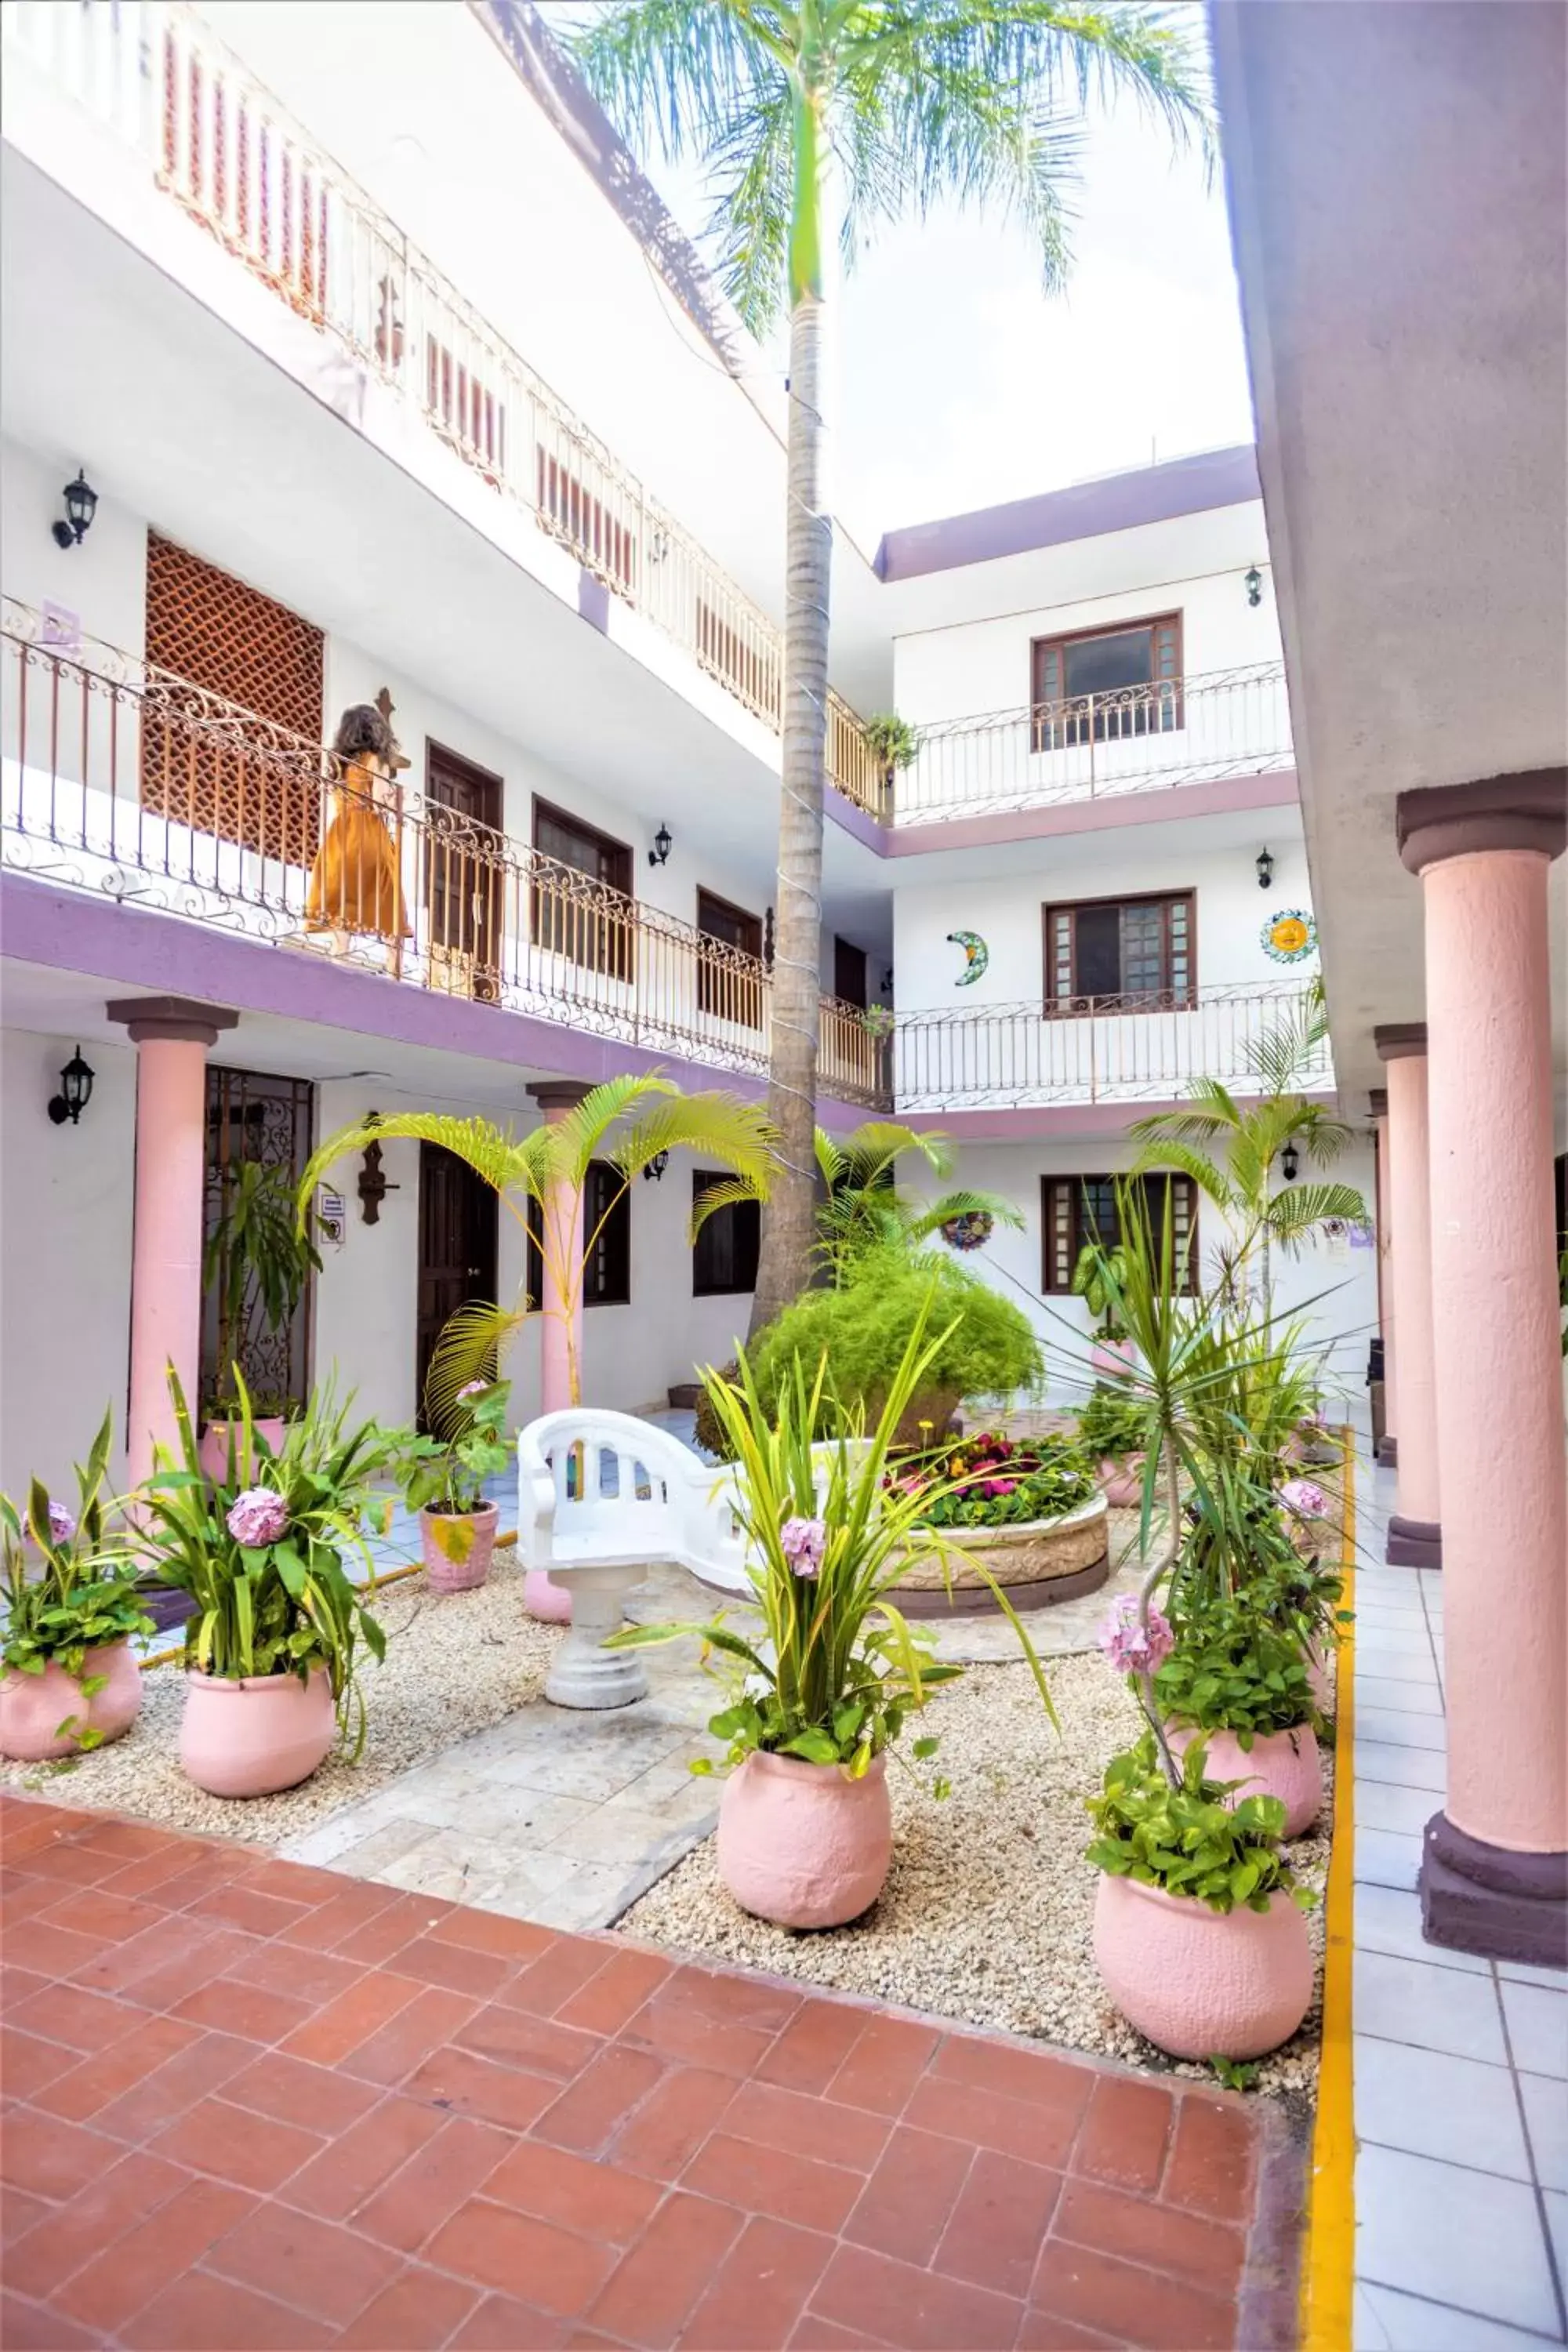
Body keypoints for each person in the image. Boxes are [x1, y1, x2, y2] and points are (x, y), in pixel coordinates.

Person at [303, 701, 412, 958]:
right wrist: (398, 800)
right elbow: (377, 801)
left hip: (341, 832)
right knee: (388, 893)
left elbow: (335, 797)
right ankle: (392, 961)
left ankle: (340, 951)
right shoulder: (376, 760)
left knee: (342, 892)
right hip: (369, 831)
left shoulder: (338, 764)